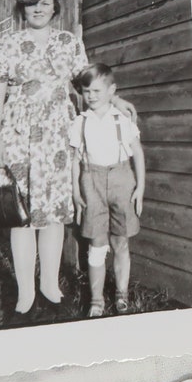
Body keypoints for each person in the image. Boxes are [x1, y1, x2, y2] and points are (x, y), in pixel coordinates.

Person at [0, 0, 135, 322]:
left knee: (53, 214)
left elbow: (87, 86)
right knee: (20, 215)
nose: (38, 9)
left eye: (45, 3)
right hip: (18, 134)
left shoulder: (70, 42)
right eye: (32, 3)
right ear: (22, 8)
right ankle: (25, 292)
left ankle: (50, 285)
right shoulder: (4, 45)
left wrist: (117, 99)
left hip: (57, 136)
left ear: (55, 8)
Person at [70, 63, 145, 317]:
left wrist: (140, 188)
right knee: (97, 243)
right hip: (91, 181)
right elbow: (75, 161)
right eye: (86, 91)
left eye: (97, 91)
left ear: (112, 90)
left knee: (120, 241)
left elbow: (137, 153)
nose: (91, 96)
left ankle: (121, 294)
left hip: (121, 179)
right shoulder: (80, 122)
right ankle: (96, 299)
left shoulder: (121, 119)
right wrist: (76, 192)